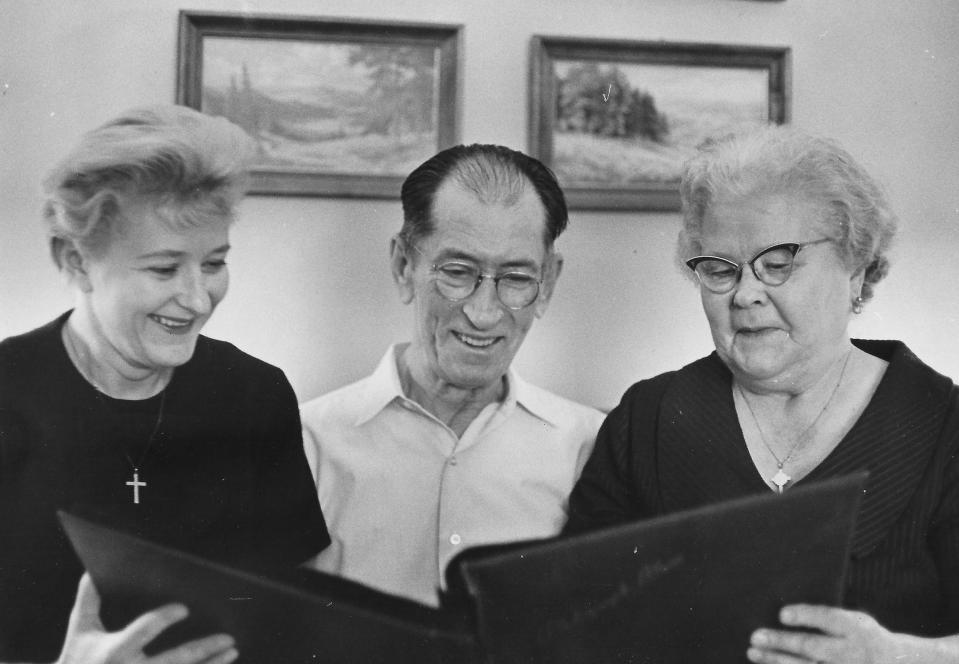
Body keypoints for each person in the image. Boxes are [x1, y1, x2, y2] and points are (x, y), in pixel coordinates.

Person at [564, 127, 959, 663]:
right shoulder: (649, 419)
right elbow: (569, 621)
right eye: (720, 270)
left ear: (857, 270)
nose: (746, 294)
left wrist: (905, 658)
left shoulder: (943, 423)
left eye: (778, 263)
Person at [0, 105, 330, 664]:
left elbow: (292, 614)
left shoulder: (256, 394)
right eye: (162, 269)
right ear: (76, 260)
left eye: (214, 263)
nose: (199, 300)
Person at [300, 144, 604, 606]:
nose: (483, 314)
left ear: (548, 285)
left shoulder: (590, 447)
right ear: (405, 266)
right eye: (457, 272)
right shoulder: (306, 441)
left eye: (517, 278)